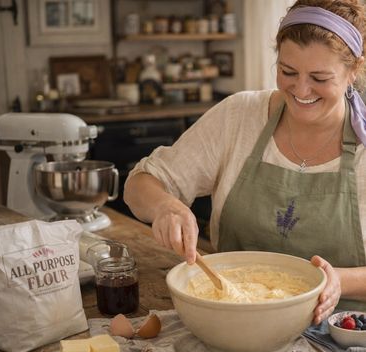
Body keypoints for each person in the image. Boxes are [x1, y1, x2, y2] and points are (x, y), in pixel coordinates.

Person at [124, 0, 366, 325]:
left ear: (354, 70)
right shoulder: (240, 116)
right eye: (288, 71)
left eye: (320, 78)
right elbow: (140, 183)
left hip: (341, 336)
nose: (302, 89)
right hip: (231, 322)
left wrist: (338, 280)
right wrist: (166, 206)